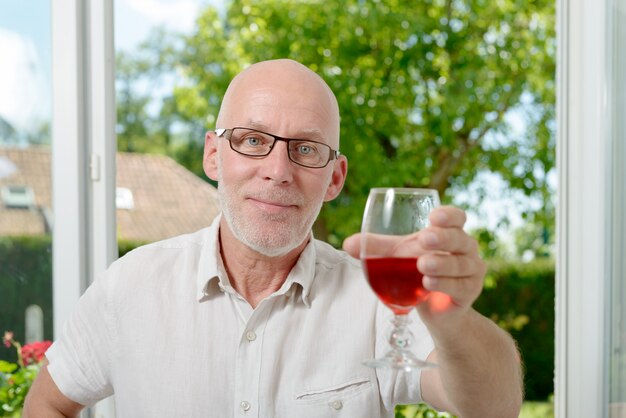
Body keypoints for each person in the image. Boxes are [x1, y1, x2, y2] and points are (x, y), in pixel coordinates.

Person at [24, 59, 522, 417]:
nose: (278, 171)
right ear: (214, 156)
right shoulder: (128, 287)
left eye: (306, 148)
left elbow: (494, 406)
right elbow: (47, 403)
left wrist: (450, 317)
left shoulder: (376, 300)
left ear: (334, 178)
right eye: (254, 141)